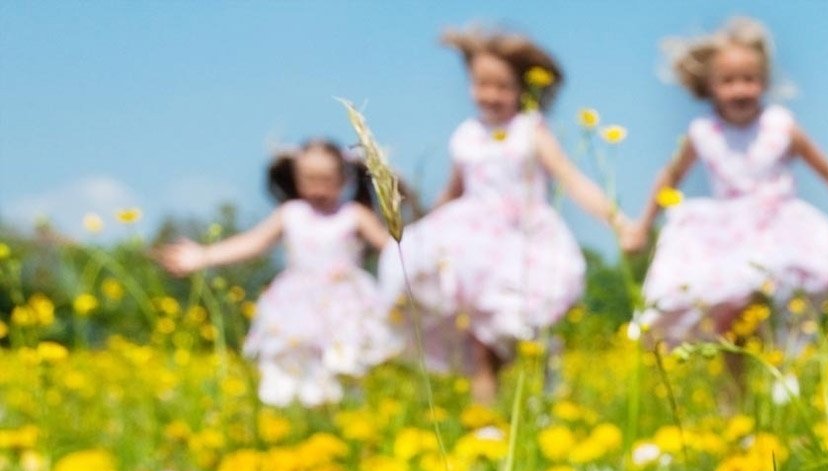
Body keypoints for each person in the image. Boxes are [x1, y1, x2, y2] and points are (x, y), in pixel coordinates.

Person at [622, 16, 828, 374]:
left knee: (779, 308)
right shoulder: (703, 131)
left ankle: (786, 376)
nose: (740, 90)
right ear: (710, 86)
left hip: (779, 230)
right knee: (732, 321)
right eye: (728, 81)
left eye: (750, 80)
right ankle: (736, 405)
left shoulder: (780, 125)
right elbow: (669, 177)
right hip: (726, 235)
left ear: (764, 83)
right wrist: (642, 225)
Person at [382, 27, 630, 404]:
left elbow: (571, 179)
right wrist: (420, 235)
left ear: (523, 89)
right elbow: (452, 192)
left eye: (502, 86)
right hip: (475, 250)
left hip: (524, 242)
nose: (491, 95)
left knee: (521, 329)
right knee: (481, 342)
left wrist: (619, 222)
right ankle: (486, 423)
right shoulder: (465, 134)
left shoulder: (531, 129)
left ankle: (546, 389)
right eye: (482, 85)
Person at [157, 139, 398, 407]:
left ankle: (346, 415)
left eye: (326, 178)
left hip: (346, 304)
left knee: (345, 363)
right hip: (296, 305)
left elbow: (393, 249)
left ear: (344, 178)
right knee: (290, 363)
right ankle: (291, 416)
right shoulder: (291, 213)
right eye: (309, 178)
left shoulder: (354, 214)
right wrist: (203, 255)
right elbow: (252, 243)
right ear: (295, 178)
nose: (318, 186)